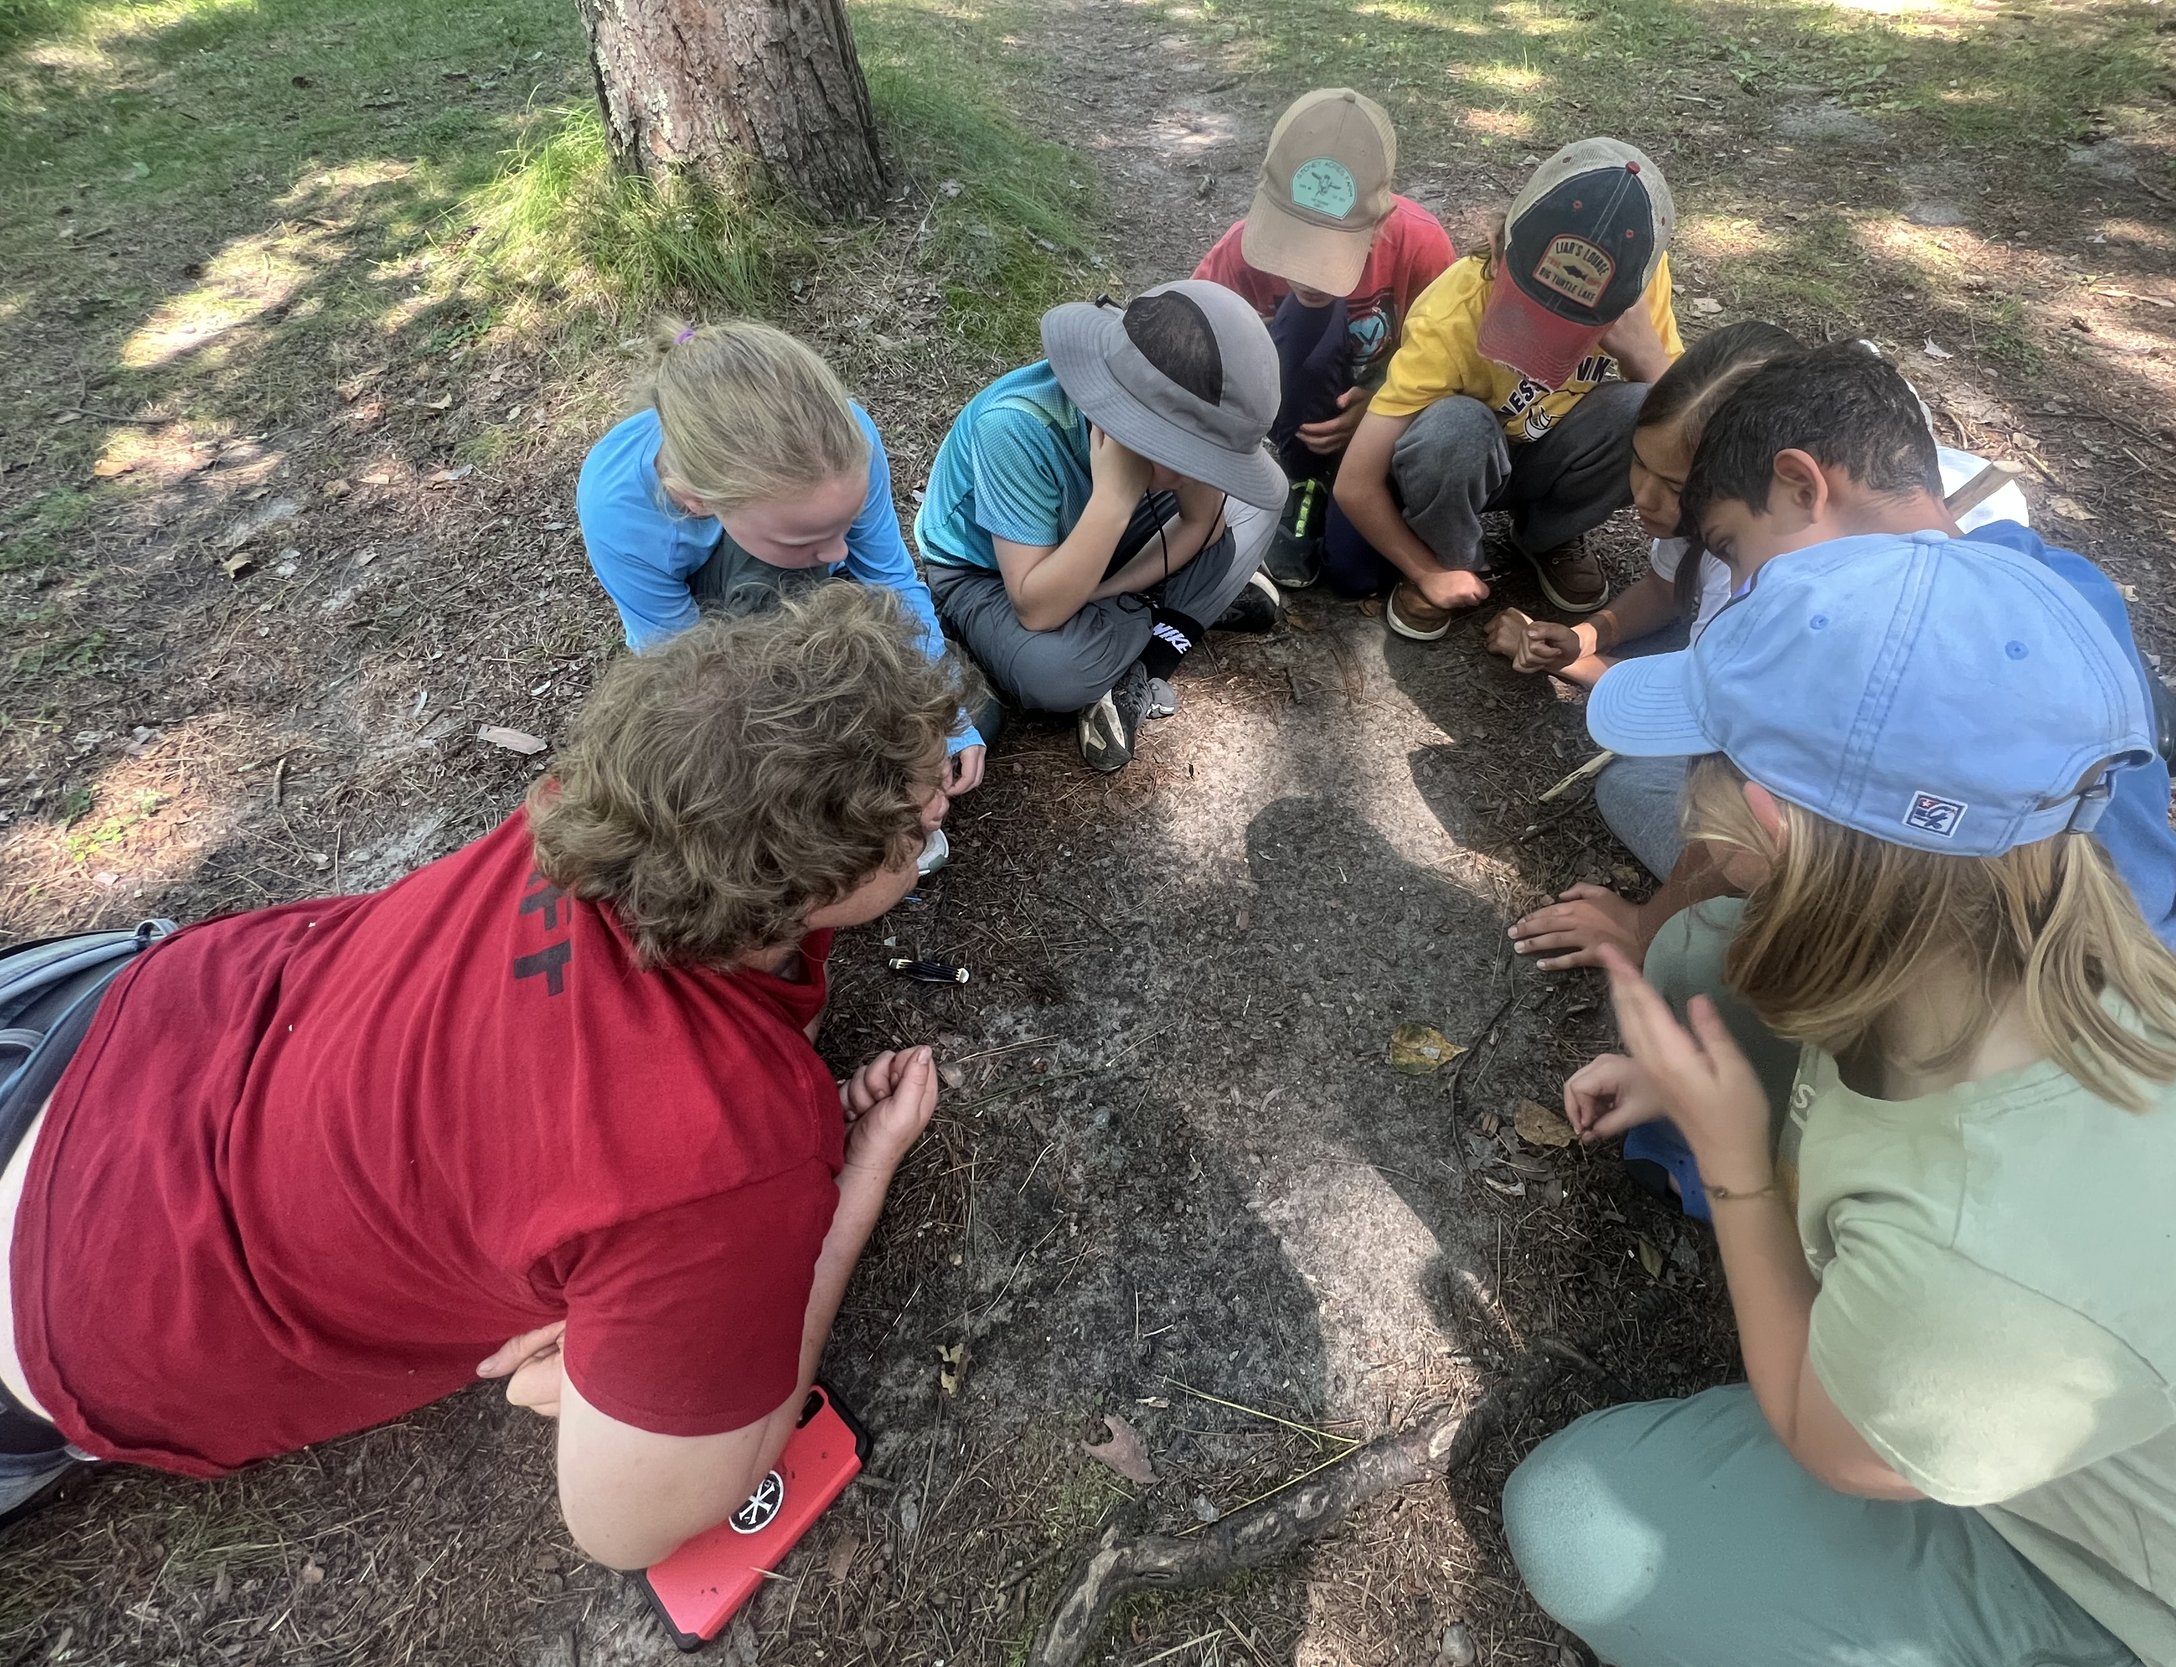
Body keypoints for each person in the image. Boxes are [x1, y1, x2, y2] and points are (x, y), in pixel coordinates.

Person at [1504, 532, 2176, 1667]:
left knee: (1577, 1522)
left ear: (1778, 824)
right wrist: (1696, 1080)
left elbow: (1830, 1445)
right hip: (2054, 1392)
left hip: (2156, 1601)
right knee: (1708, 953)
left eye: (1705, 761)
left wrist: (1735, 1159)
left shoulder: (1988, 1228)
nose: (1688, 799)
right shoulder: (2030, 952)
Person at [0, 587, 949, 1570]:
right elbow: (627, 1528)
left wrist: (611, 1329)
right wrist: (852, 1185)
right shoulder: (725, 1155)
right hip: (78, 1317)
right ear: (800, 885)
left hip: (111, 1025)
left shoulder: (599, 806)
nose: (941, 802)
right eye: (916, 815)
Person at [1508, 338, 2176, 985]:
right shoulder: (2053, 574)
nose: (1742, 587)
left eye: (1733, 550)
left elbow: (1749, 817)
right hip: (2133, 939)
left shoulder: (1855, 638)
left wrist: (1647, 932)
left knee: (1654, 800)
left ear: (1802, 487)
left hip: (2008, 973)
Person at [1490, 328, 2030, 887]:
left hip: (1870, 860)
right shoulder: (1742, 515)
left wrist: (1574, 663)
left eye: (1674, 486)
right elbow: (1669, 585)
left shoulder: (1816, 612)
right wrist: (1591, 635)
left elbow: (1723, 722)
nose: (1644, 497)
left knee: (1641, 788)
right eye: (1638, 464)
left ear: (1792, 486)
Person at [576, 320, 991, 803]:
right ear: (696, 501)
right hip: (710, 630)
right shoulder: (619, 510)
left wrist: (945, 717)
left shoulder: (845, 438)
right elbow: (686, 671)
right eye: (806, 540)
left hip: (784, 598)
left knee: (959, 720)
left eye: (846, 524)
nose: (840, 556)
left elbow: (888, 579)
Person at [913, 280, 1286, 775]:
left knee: (1259, 504)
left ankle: (1144, 661)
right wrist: (1113, 500)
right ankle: (1182, 611)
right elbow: (1038, 609)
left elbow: (1203, 523)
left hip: (1095, 549)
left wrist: (1101, 589)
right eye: (1181, 453)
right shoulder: (1013, 428)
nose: (1192, 475)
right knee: (1056, 674)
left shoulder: (1167, 407)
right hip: (988, 574)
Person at [1332, 138, 1682, 643]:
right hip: (1461, 461)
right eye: (1527, 311)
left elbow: (1693, 427)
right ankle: (1451, 554)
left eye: (1572, 328)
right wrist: (1428, 571)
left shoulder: (1640, 286)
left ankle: (1548, 535)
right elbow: (1354, 482)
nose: (1539, 344)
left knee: (1649, 407)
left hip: (1550, 453)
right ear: (1499, 249)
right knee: (1456, 428)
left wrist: (1647, 357)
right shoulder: (1451, 315)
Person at [1193, 87, 1456, 591]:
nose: (1310, 274)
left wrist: (1379, 406)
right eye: (1293, 242)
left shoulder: (1422, 246)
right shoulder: (1240, 253)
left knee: (1357, 576)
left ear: (1380, 221)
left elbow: (1446, 360)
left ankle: (1352, 492)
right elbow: (1193, 349)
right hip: (1285, 417)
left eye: (1332, 251)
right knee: (1309, 313)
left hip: (1382, 429)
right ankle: (1298, 477)